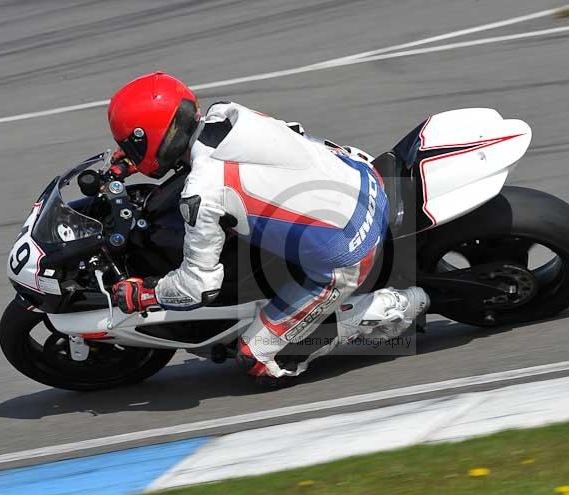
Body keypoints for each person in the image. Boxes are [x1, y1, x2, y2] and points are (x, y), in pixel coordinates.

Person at [108, 72, 429, 386]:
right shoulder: (227, 113)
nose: (129, 152)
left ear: (148, 138)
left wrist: (145, 294)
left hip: (348, 254)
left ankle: (386, 308)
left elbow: (198, 287)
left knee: (257, 358)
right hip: (361, 176)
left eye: (132, 145)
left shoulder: (203, 191)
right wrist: (140, 159)